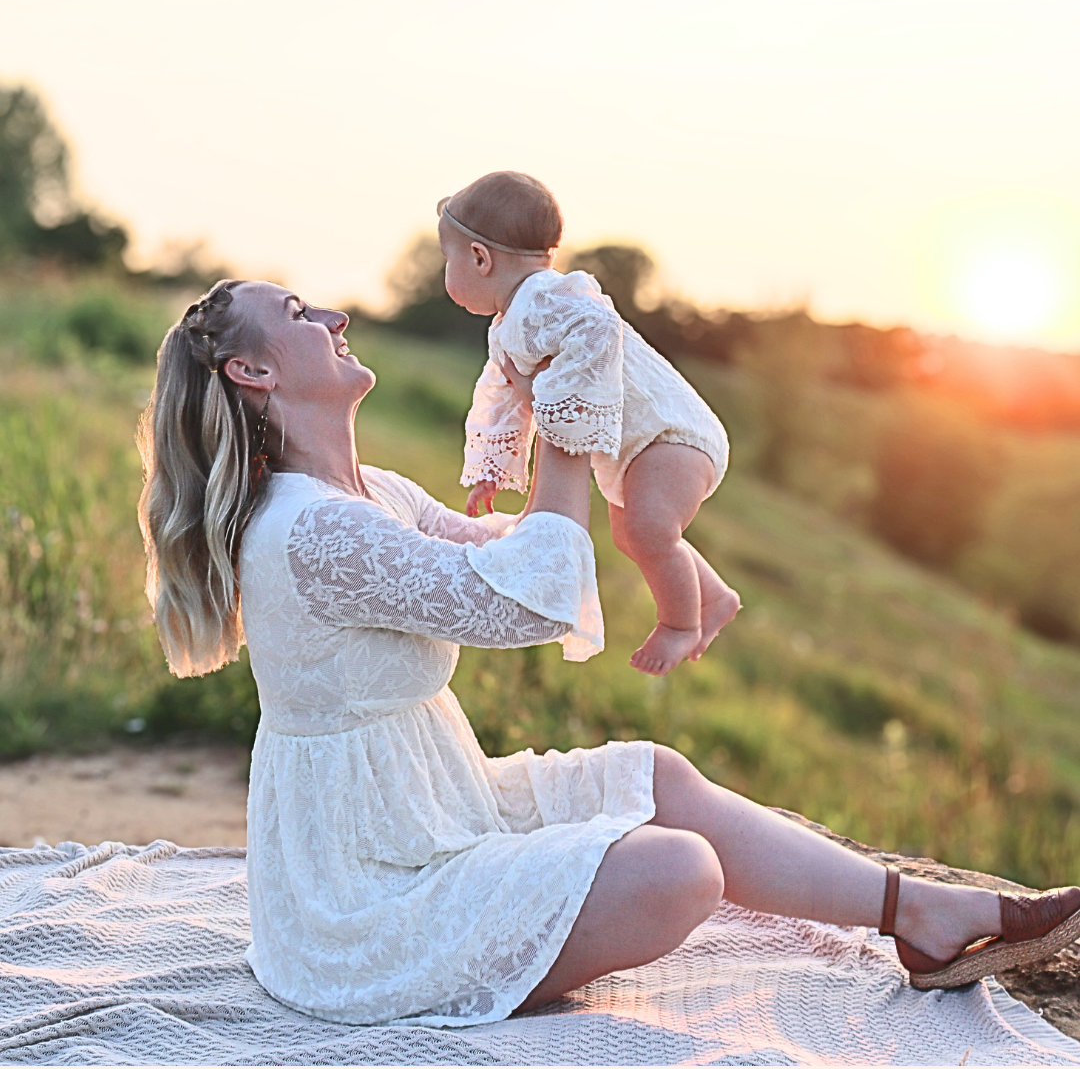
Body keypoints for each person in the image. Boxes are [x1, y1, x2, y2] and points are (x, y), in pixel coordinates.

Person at [136, 279, 1080, 1027]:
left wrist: (660, 533)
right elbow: (524, 604)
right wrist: (569, 422)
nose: (336, 315)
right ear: (252, 374)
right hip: (364, 894)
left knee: (656, 777)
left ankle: (918, 913)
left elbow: (510, 552)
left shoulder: (367, 494)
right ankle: (457, 960)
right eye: (300, 314)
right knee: (678, 872)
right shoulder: (312, 534)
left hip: (428, 806)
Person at [447, 171, 741, 678]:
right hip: (638, 448)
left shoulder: (549, 298)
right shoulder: (509, 324)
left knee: (650, 531)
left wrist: (553, 399)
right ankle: (713, 597)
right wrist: (493, 465)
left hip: (670, 435)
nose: (444, 273)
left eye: (447, 260)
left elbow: (598, 327)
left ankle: (679, 626)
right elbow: (505, 395)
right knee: (633, 537)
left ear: (479, 258)